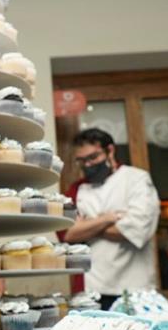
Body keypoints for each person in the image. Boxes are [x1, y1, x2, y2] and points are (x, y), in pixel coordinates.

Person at [63, 128, 160, 309]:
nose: (88, 165)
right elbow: (68, 234)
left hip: (135, 287)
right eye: (82, 161)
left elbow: (137, 229)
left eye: (93, 157)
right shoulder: (76, 189)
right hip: (93, 287)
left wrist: (87, 225)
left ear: (110, 150)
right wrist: (108, 219)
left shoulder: (136, 179)